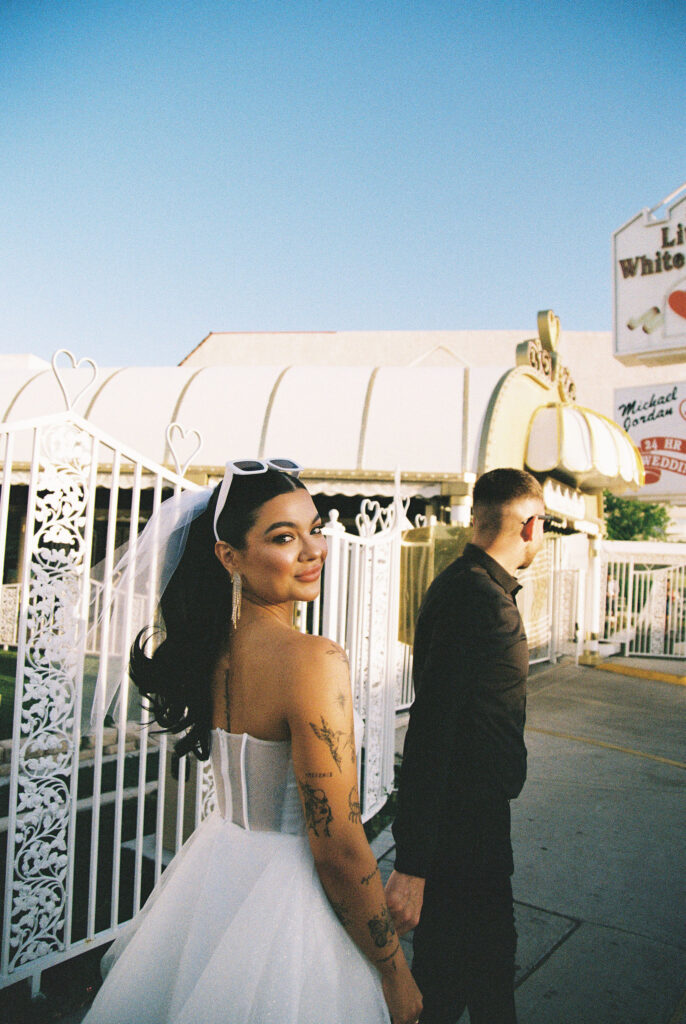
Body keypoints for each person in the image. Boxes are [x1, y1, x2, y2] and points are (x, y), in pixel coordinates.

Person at [84, 460, 422, 1024]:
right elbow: (338, 845)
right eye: (284, 537)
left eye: (315, 528)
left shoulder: (212, 651)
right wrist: (395, 973)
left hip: (219, 875)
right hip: (291, 903)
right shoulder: (312, 660)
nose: (314, 549)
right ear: (228, 556)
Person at [385, 468, 547, 1024]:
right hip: (464, 833)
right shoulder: (477, 599)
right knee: (457, 980)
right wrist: (413, 864)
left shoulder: (466, 586)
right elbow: (432, 731)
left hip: (472, 824)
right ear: (529, 524)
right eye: (542, 524)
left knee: (480, 975)